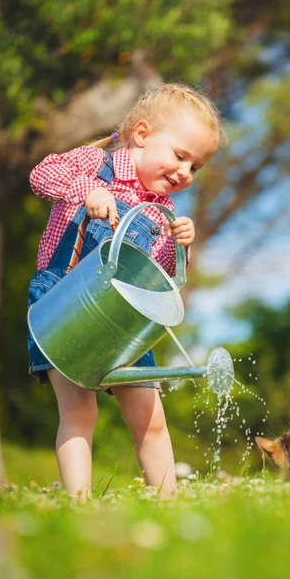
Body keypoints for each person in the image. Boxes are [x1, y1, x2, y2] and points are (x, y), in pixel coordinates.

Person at [28, 83, 225, 500]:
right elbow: (42, 174)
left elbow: (158, 283)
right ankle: (78, 504)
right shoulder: (93, 165)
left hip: (123, 318)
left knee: (150, 418)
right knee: (79, 411)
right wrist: (89, 193)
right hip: (64, 301)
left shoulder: (162, 213)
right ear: (141, 134)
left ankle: (170, 505)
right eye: (180, 155)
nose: (185, 172)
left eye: (196, 167)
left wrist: (178, 248)